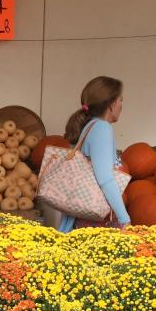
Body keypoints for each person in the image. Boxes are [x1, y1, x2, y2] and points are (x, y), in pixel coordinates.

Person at [58, 76, 130, 232]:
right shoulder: (102, 129)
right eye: (121, 100)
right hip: (95, 220)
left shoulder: (91, 126)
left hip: (86, 217)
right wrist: (125, 219)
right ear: (112, 105)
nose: (122, 105)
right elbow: (105, 179)